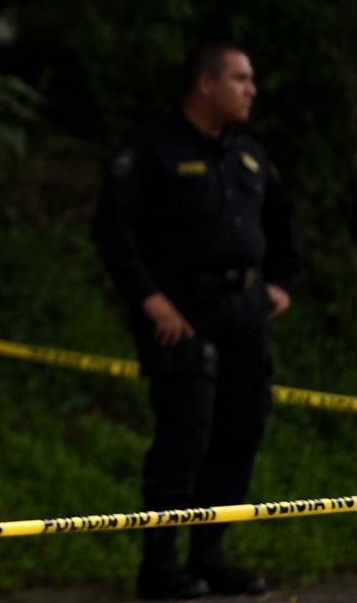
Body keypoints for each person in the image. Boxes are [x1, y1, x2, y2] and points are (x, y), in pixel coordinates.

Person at [92, 43, 301, 600]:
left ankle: (209, 557)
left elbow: (283, 226)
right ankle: (160, 566)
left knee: (241, 432)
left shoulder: (250, 156)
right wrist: (150, 300)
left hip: (245, 314)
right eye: (241, 78)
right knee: (186, 436)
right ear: (206, 84)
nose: (252, 90)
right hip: (183, 317)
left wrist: (280, 283)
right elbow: (114, 232)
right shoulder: (151, 150)